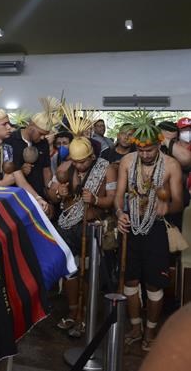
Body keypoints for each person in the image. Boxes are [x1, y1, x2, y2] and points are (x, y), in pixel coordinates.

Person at [46, 104, 117, 338]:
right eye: (75, 161)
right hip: (67, 227)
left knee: (88, 272)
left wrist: (96, 199)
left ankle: (85, 316)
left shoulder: (107, 169)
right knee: (70, 271)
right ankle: (73, 312)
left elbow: (112, 200)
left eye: (83, 162)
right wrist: (59, 194)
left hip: (91, 229)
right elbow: (52, 194)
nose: (79, 166)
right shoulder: (65, 168)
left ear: (92, 156)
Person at [115, 111, 183, 352]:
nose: (144, 155)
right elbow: (119, 195)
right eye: (141, 150)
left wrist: (167, 207)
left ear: (159, 145)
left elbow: (179, 202)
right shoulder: (127, 161)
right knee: (130, 280)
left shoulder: (171, 165)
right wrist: (119, 213)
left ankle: (151, 331)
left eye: (150, 150)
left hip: (156, 229)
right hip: (131, 226)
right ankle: (135, 327)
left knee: (154, 284)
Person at [5, 97, 61, 210]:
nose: (43, 137)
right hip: (16, 195)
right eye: (40, 133)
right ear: (31, 127)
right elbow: (8, 172)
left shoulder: (43, 143)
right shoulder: (10, 141)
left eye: (45, 134)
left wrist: (49, 191)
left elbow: (46, 170)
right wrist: (21, 170)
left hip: (38, 194)